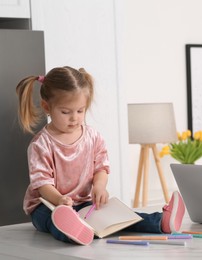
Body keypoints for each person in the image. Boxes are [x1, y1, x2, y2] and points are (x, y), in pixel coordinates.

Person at [16, 66, 185, 246]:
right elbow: (42, 184)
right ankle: (75, 231)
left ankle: (161, 221)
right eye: (66, 112)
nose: (74, 118)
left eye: (80, 111)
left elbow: (101, 167)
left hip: (83, 203)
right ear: (46, 107)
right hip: (48, 205)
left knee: (120, 218)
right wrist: (60, 201)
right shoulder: (41, 144)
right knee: (52, 220)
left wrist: (99, 186)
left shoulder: (93, 137)